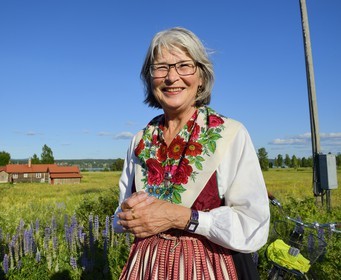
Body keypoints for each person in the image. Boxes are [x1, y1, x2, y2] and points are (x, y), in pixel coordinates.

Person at [113, 27, 270, 279]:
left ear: (201, 77)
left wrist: (183, 217)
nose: (171, 77)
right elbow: (118, 217)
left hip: (208, 267)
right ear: (149, 78)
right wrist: (126, 215)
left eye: (184, 66)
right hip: (146, 267)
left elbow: (253, 224)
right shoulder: (140, 141)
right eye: (160, 67)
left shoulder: (230, 134)